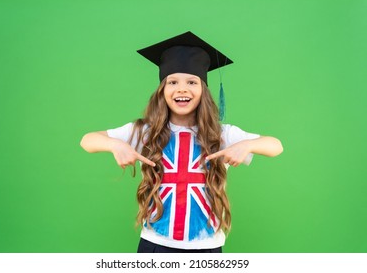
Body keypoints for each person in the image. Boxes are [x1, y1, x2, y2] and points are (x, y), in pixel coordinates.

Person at [80, 31, 283, 253]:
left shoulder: (221, 134)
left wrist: (247, 145)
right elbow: (88, 140)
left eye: (192, 82)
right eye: (173, 82)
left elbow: (275, 146)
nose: (182, 89)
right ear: (162, 91)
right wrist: (115, 145)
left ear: (203, 90)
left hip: (207, 247)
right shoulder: (145, 132)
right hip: (155, 245)